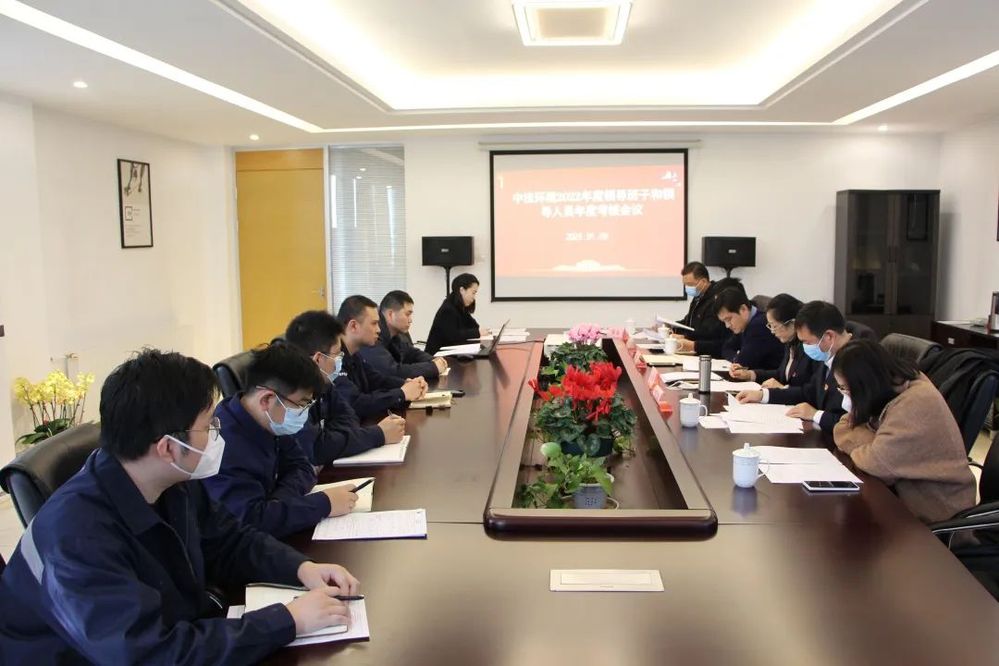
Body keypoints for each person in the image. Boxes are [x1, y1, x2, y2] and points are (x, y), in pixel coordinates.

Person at [0, 349, 358, 663]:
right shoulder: (74, 536)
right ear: (168, 447)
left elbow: (229, 541)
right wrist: (288, 620)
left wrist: (301, 568)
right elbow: (150, 655)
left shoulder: (171, 479)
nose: (218, 434)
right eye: (209, 426)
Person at [203, 343, 358, 538]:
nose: (304, 412)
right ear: (266, 400)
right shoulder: (221, 444)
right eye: (301, 404)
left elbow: (303, 468)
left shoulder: (271, 421)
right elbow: (249, 522)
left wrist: (277, 504)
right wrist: (323, 504)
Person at [832, 339, 976, 523]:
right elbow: (841, 427)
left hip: (937, 519)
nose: (843, 394)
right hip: (904, 502)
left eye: (844, 388)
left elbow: (875, 463)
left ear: (864, 384)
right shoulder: (888, 388)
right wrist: (872, 442)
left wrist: (863, 442)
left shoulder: (915, 402)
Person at [285, 310, 407, 465]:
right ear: (318, 359)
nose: (340, 361)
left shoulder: (324, 381)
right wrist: (379, 434)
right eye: (337, 354)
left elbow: (349, 416)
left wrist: (334, 438)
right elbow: (317, 449)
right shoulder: (289, 393)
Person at [736, 300, 851, 433]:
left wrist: (815, 414)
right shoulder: (829, 355)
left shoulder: (857, 363)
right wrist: (763, 396)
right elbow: (808, 393)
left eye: (807, 342)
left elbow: (856, 425)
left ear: (829, 336)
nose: (805, 348)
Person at [337, 294, 427, 418]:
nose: (379, 330)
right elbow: (356, 403)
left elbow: (377, 380)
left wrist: (407, 383)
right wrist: (402, 393)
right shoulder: (332, 358)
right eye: (374, 324)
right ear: (353, 326)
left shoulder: (354, 353)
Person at [729, 293, 819, 389]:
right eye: (770, 326)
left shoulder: (810, 349)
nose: (772, 331)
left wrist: (783, 389)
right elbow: (781, 374)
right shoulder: (790, 343)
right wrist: (750, 374)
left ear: (792, 324)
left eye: (774, 326)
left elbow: (811, 392)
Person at [359, 290, 448, 381]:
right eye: (407, 314)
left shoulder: (396, 334)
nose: (410, 320)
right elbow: (393, 371)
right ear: (390, 314)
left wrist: (434, 360)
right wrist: (433, 367)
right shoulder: (372, 336)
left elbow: (411, 353)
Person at [673, 262, 744, 358]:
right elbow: (689, 321)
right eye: (685, 285)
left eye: (690, 284)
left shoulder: (716, 300)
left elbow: (709, 333)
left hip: (709, 353)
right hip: (700, 350)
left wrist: (689, 340)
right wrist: (672, 327)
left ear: (703, 281)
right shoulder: (698, 297)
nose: (687, 288)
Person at [714, 287, 785, 369]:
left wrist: (737, 358)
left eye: (729, 319)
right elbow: (726, 348)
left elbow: (742, 363)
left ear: (743, 309)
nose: (727, 325)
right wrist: (736, 357)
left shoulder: (758, 326)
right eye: (724, 321)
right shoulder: (744, 324)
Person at [425, 273, 490, 355]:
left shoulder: (459, 307)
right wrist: (477, 332)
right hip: (437, 358)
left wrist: (478, 331)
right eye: (473, 293)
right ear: (462, 290)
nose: (474, 297)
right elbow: (453, 336)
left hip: (450, 354)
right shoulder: (448, 309)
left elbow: (474, 326)